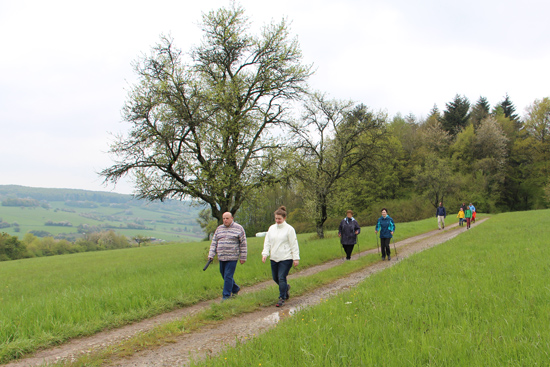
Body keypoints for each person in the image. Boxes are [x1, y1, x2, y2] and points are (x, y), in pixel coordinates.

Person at [262, 206, 300, 307]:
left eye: (279, 219)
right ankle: (285, 288)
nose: (277, 220)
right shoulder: (271, 228)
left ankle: (281, 298)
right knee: (275, 278)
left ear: (284, 218)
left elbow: (294, 244)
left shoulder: (289, 229)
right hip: (274, 257)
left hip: (286, 258)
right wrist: (265, 253)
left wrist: (296, 258)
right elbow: (267, 242)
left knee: (281, 277)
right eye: (276, 218)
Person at [208, 212, 247, 301]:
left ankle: (226, 296)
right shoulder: (219, 229)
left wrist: (243, 257)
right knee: (224, 275)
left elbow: (243, 243)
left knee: (228, 276)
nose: (225, 220)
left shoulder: (239, 228)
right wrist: (211, 255)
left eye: (227, 218)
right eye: (224, 218)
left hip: (232, 257)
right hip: (221, 257)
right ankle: (235, 288)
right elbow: (214, 243)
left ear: (232, 218)